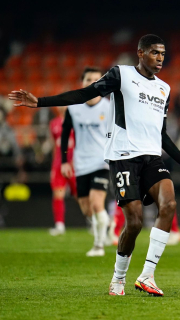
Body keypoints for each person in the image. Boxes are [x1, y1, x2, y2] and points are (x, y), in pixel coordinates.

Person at [9, 34, 180, 297]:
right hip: (123, 155)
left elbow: (161, 135)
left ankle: (147, 275)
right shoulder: (121, 75)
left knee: (170, 205)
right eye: (154, 53)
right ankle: (118, 278)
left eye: (162, 53)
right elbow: (86, 93)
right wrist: (40, 102)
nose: (160, 58)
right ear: (140, 53)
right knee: (135, 222)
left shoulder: (164, 89)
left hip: (152, 157)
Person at [60, 67, 114, 256]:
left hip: (102, 161)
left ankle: (99, 245)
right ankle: (106, 223)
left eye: (95, 79)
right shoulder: (74, 107)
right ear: (82, 83)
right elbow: (65, 134)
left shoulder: (109, 107)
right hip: (81, 163)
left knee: (96, 202)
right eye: (88, 79)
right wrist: (64, 160)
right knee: (86, 208)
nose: (91, 82)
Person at [48, 106, 77, 236]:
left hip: (74, 164)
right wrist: (53, 166)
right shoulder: (53, 123)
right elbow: (55, 146)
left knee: (81, 196)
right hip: (59, 165)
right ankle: (59, 225)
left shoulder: (75, 121)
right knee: (58, 193)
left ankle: (93, 222)